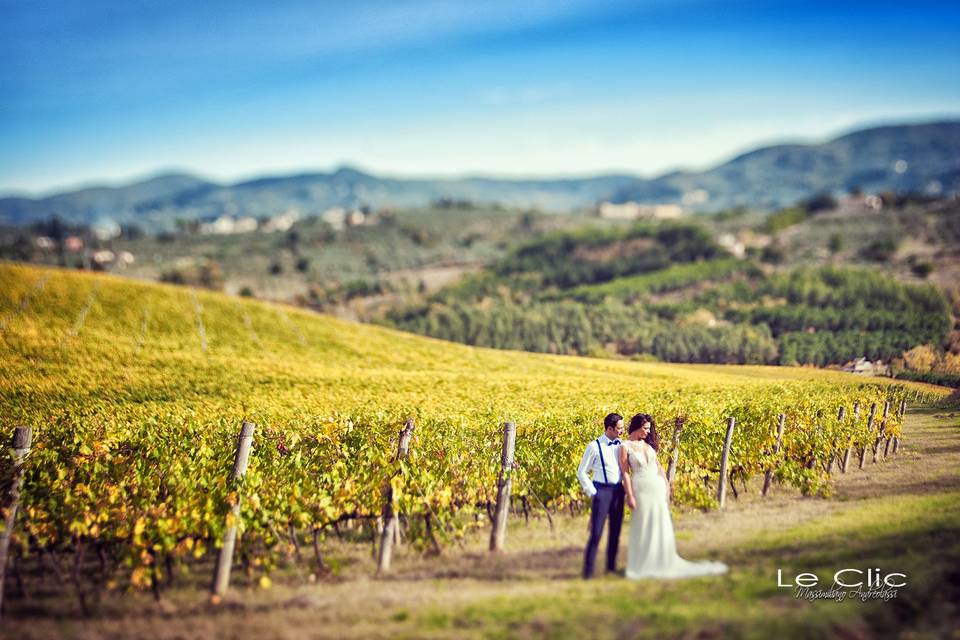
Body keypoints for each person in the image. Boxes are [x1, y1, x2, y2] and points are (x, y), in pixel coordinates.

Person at [619, 413, 728, 579]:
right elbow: (625, 473)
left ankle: (661, 560)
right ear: (637, 426)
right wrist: (630, 495)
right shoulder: (625, 446)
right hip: (640, 488)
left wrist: (666, 487)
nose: (648, 432)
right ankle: (643, 563)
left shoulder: (648, 447)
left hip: (656, 488)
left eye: (649, 429)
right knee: (643, 522)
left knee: (659, 522)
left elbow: (660, 469)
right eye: (645, 428)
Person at [577, 412, 625, 579]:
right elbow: (581, 472)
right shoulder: (594, 446)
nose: (622, 431)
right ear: (609, 428)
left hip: (619, 491)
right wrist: (593, 493)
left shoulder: (622, 445)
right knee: (596, 532)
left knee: (615, 531)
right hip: (601, 491)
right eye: (619, 428)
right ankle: (588, 572)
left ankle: (611, 568)